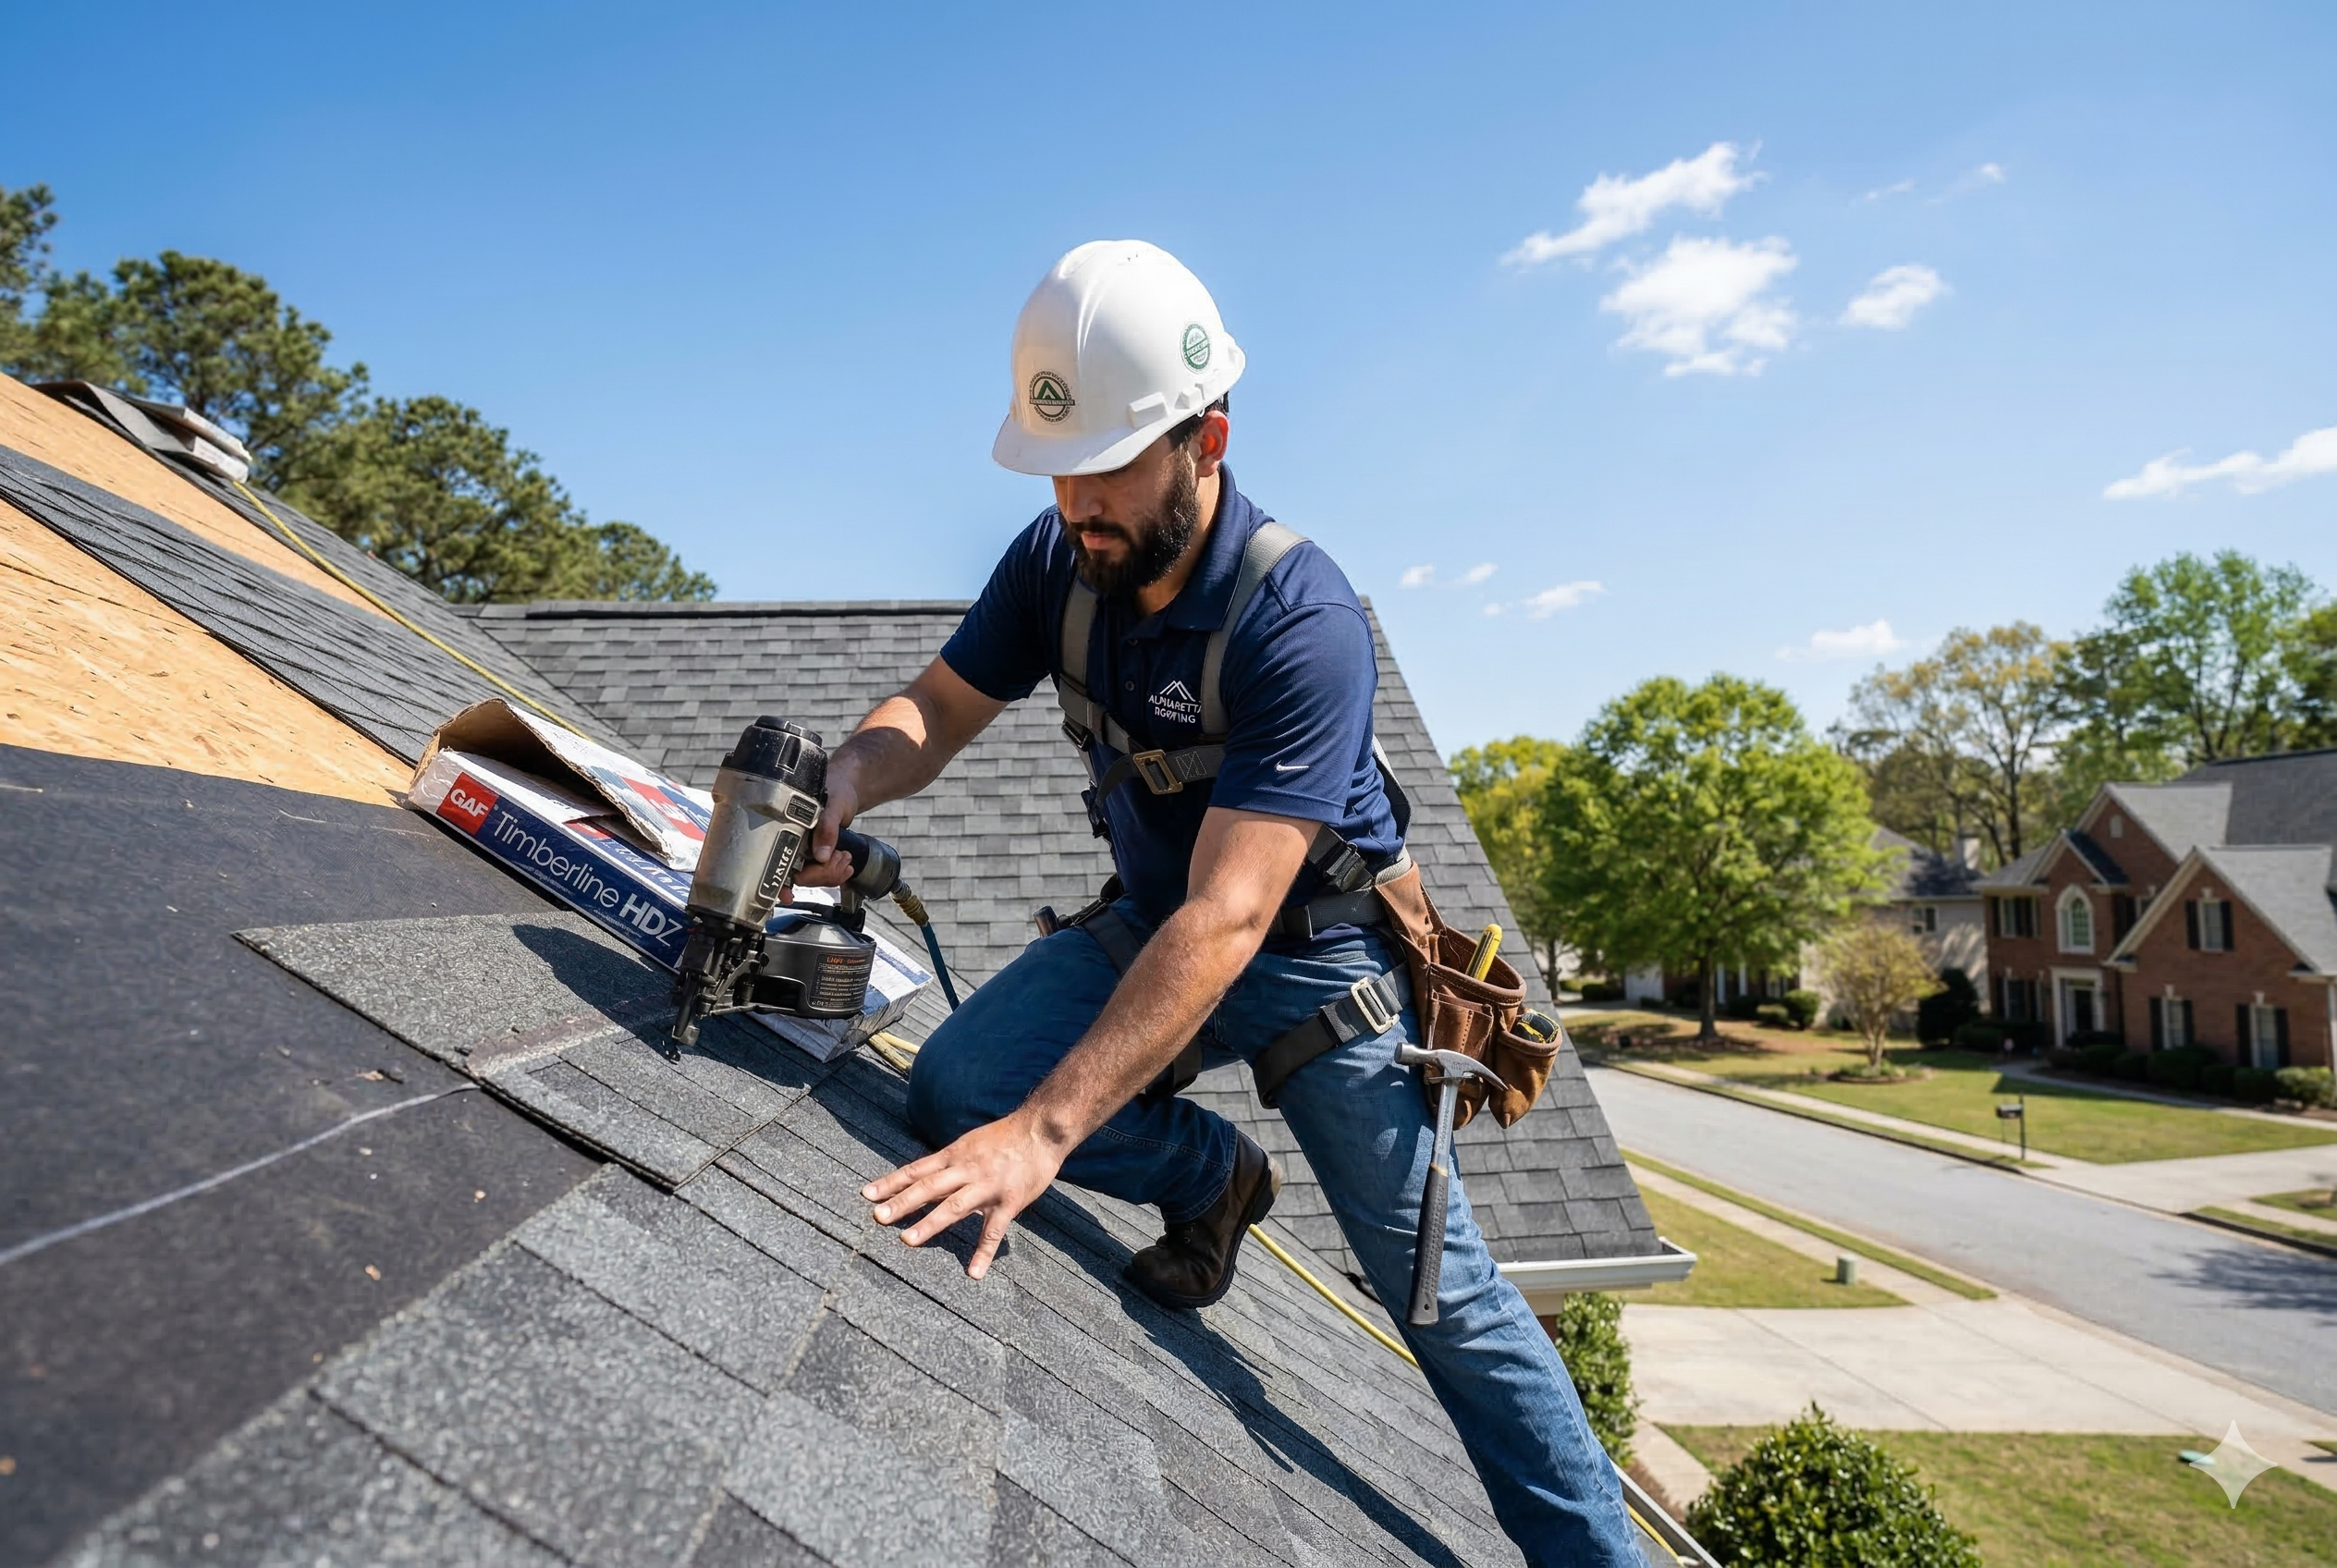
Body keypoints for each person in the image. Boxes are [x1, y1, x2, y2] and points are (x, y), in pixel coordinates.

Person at [797, 239, 1640, 1565]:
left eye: (1113, 463)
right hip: (1156, 920)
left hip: (1315, 960)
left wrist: (1052, 1135)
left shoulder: (1300, 618)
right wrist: (846, 777)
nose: (1080, 502)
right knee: (960, 1092)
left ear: (1208, 438)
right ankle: (1216, 1177)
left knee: (1447, 1304)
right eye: (1059, 467)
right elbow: (937, 711)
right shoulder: (1058, 556)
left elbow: (1234, 919)